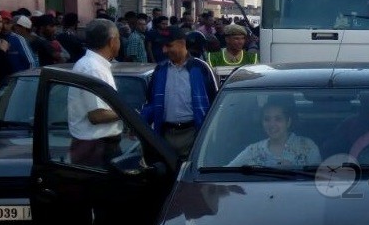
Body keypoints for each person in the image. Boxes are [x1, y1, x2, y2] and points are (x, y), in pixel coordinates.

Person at [141, 26, 218, 158]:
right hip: (165, 136)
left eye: (168, 45)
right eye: (162, 46)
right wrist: (140, 124)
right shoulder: (160, 70)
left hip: (194, 135)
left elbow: (214, 104)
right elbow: (151, 104)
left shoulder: (200, 69)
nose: (164, 50)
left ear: (182, 43)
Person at [67, 19, 124, 167]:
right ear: (112, 41)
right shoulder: (93, 68)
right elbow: (97, 115)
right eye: (118, 38)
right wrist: (130, 114)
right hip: (96, 147)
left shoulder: (95, 64)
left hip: (98, 145)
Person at [229, 97, 320, 167]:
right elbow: (228, 171)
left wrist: (295, 169)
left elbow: (321, 178)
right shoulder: (253, 151)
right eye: (267, 119)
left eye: (278, 119)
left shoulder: (307, 146)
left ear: (288, 122)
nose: (272, 124)